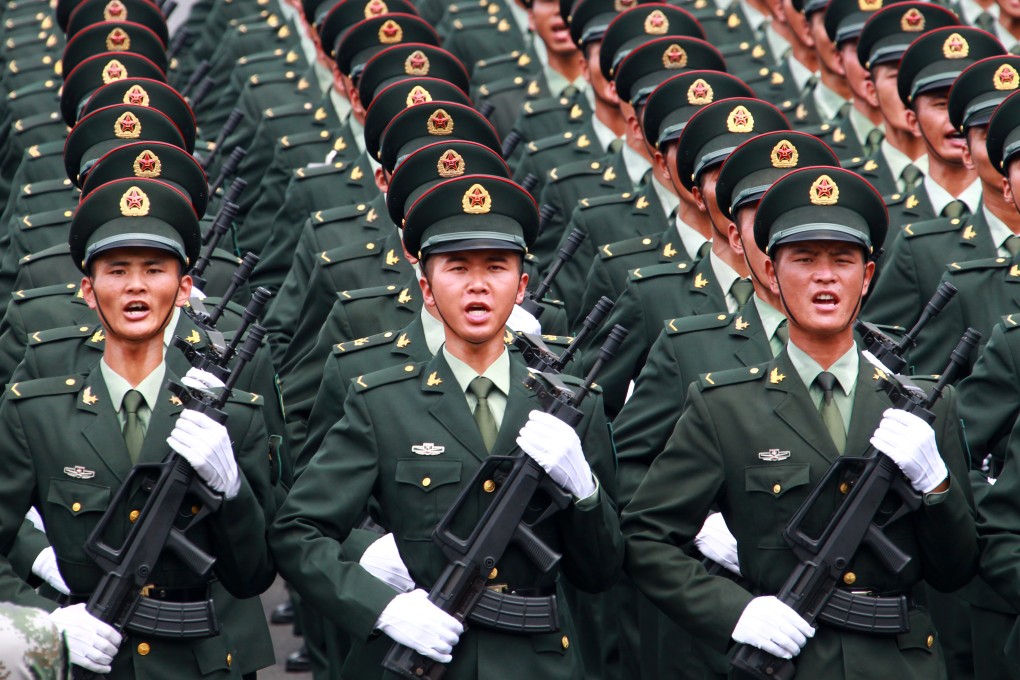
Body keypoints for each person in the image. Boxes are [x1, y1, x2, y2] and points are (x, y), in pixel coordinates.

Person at [622, 165, 978, 678]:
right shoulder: (725, 407)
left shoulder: (924, 407)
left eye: (843, 260)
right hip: (785, 661)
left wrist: (936, 486)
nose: (825, 276)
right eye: (804, 259)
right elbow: (645, 536)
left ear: (867, 277)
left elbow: (956, 570)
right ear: (770, 272)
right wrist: (733, 611)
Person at [269, 174, 622, 679]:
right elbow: (298, 531)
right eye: (457, 267)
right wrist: (382, 608)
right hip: (415, 657)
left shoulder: (570, 406)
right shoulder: (382, 401)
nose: (478, 284)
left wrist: (585, 492)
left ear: (522, 287)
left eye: (496, 267)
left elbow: (601, 572)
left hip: (537, 663)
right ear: (427, 290)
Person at [0, 177, 276, 677]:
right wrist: (44, 623)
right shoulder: (36, 413)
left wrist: (232, 491)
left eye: (154, 269)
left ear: (185, 288)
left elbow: (253, 575)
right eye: (117, 270)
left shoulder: (235, 416)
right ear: (88, 290)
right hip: (87, 657)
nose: (135, 286)